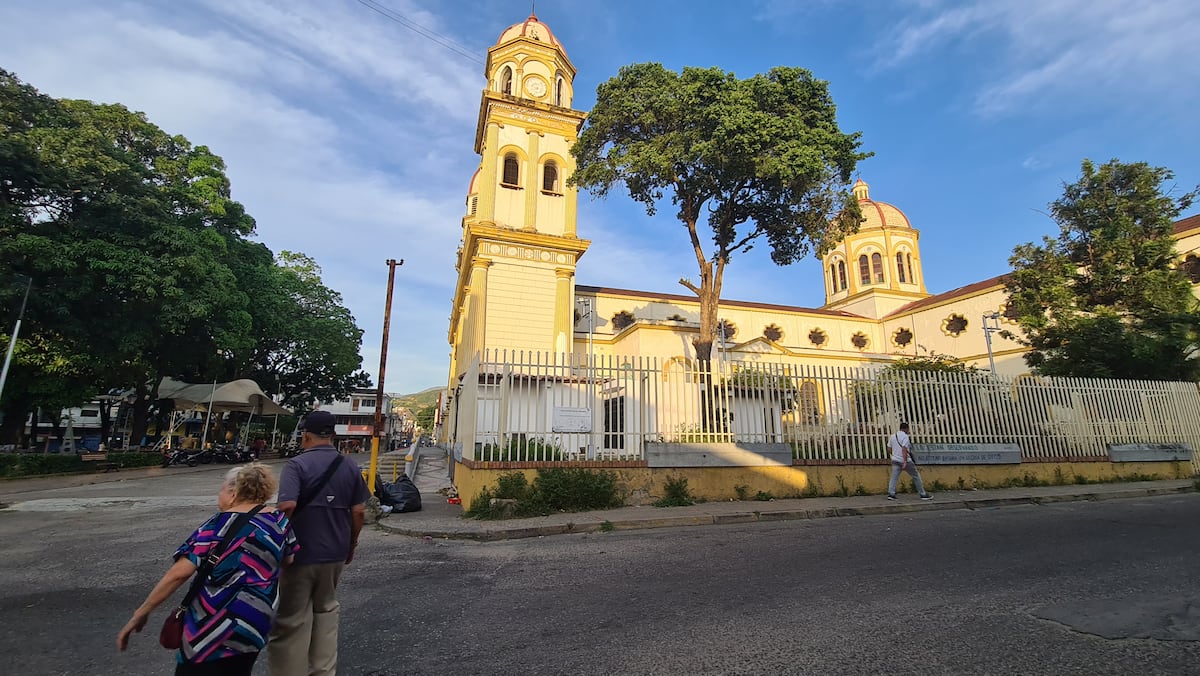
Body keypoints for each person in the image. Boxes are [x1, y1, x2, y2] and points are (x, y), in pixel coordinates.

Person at [117, 463, 297, 675]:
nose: (218, 495)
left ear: (234, 492)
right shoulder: (278, 520)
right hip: (256, 620)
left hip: (212, 624)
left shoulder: (217, 525)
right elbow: (289, 559)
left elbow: (179, 573)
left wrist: (141, 612)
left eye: (221, 489)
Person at [269, 410, 370, 676]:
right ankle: (323, 672)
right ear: (333, 435)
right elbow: (358, 511)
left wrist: (276, 542)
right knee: (326, 612)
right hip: (335, 553)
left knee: (292, 618)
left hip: (299, 554)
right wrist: (351, 544)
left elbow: (288, 505)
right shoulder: (348, 465)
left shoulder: (296, 465)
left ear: (305, 436)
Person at [887, 422, 933, 501]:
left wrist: (894, 455)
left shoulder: (892, 436)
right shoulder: (905, 437)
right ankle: (923, 494)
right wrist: (904, 461)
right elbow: (904, 449)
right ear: (906, 429)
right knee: (915, 476)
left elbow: (889, 449)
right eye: (908, 429)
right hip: (905, 460)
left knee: (894, 477)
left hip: (895, 460)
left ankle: (891, 494)